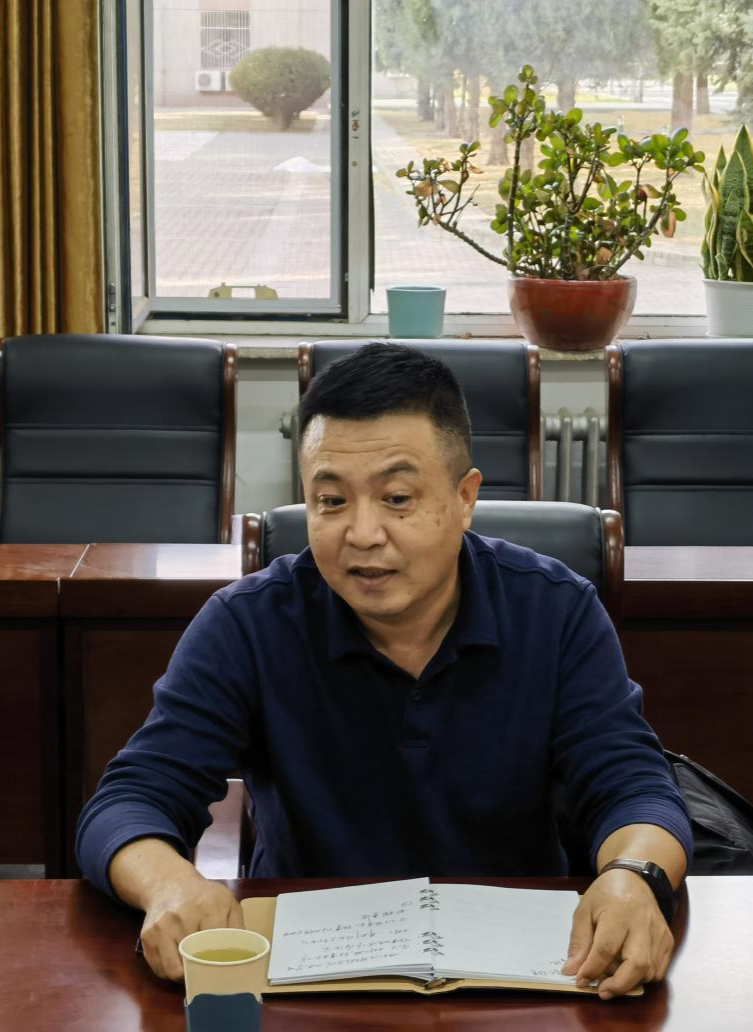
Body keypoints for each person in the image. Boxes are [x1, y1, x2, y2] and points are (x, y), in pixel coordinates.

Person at [76, 343, 692, 999]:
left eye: (397, 498)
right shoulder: (248, 623)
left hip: (525, 982)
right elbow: (128, 802)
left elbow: (634, 787)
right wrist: (170, 883)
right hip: (312, 985)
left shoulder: (556, 610)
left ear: (465, 497)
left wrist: (634, 876)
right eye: (331, 501)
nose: (363, 533)